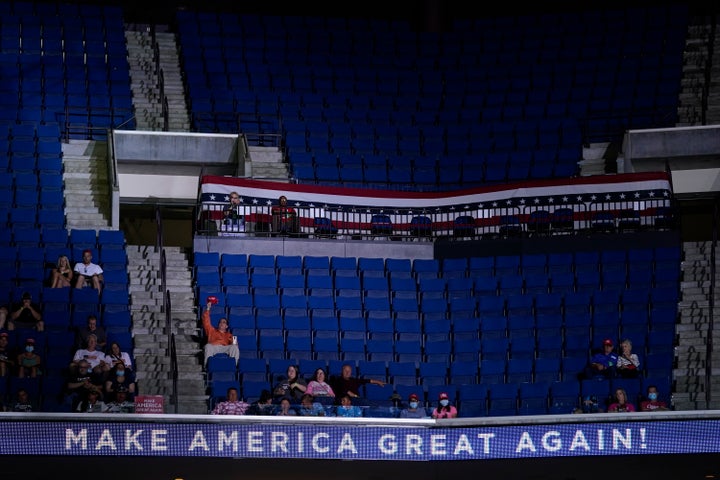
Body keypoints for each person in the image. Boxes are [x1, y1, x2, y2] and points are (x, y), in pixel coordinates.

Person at [201, 300, 240, 366]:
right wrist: (208, 309)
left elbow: (235, 345)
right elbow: (206, 321)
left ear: (226, 326)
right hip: (214, 347)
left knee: (234, 348)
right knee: (208, 346)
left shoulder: (230, 335)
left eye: (224, 322)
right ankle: (207, 366)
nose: (221, 323)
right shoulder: (212, 330)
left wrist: (235, 343)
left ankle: (233, 366)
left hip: (225, 348)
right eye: (220, 322)